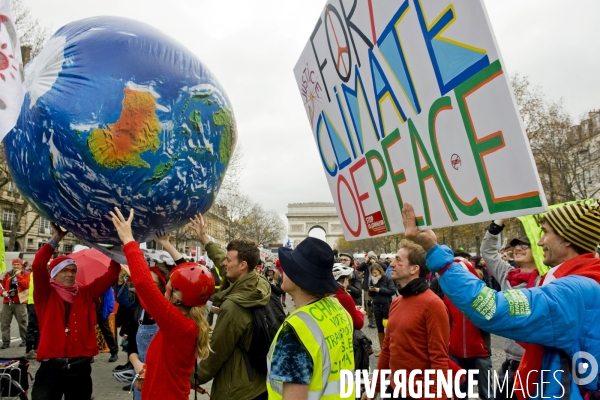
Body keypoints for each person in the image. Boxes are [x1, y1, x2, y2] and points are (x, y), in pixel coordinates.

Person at [402, 200, 600, 399]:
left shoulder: (574, 291)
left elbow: (492, 308)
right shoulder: (582, 282)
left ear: (568, 239)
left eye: (546, 233)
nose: (539, 242)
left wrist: (436, 252)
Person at [110, 208, 214, 400]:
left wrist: (129, 241)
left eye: (167, 287)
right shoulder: (190, 315)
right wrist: (165, 245)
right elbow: (187, 276)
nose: (164, 290)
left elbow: (145, 288)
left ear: (176, 296)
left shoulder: (179, 324)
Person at [31, 223, 120, 400]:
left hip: (80, 367)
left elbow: (111, 275)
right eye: (64, 271)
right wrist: (55, 239)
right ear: (54, 274)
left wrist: (117, 245)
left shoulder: (86, 293)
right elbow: (38, 266)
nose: (70, 274)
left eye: (73, 270)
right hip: (51, 368)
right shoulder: (45, 294)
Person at [189, 213, 271, 400]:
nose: (224, 263)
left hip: (236, 390)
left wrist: (192, 378)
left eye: (229, 260)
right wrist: (204, 238)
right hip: (258, 381)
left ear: (242, 265)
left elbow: (216, 353)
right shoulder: (258, 282)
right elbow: (222, 261)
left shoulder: (233, 307)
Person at [267, 237, 355, 399]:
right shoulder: (339, 309)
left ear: (298, 278)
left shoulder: (295, 332)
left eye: (288, 268)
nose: (282, 271)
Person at [363, 239, 449, 399]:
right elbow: (388, 350)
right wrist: (374, 386)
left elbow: (440, 359)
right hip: (395, 390)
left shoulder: (433, 305)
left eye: (398, 260)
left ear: (414, 269)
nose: (391, 264)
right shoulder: (396, 302)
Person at [481, 221, 542, 399]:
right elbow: (488, 251)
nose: (518, 248)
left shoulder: (547, 279)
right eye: (515, 245)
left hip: (535, 362)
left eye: (525, 245)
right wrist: (497, 225)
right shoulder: (507, 275)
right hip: (510, 361)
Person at [444, 257, 493, 400]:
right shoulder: (448, 296)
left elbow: (491, 319)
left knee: (487, 393)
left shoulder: (483, 295)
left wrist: (485, 346)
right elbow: (446, 323)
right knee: (460, 393)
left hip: (479, 351)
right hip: (455, 351)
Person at [1, 258, 30, 349]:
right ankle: (5, 342)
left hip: (20, 302)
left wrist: (19, 277)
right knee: (4, 323)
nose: (16, 266)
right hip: (8, 301)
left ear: (21, 266)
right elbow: (2, 286)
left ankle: (25, 340)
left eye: (18, 264)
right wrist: (3, 293)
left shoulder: (26, 274)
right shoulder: (7, 275)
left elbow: (26, 285)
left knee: (22, 322)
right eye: (14, 264)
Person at [368, 263, 396, 356]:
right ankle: (383, 349)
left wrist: (379, 290)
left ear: (380, 271)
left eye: (375, 273)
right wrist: (371, 291)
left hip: (386, 306)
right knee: (380, 328)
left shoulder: (387, 279)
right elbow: (372, 295)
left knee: (389, 327)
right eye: (373, 273)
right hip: (376, 306)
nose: (374, 275)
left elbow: (392, 291)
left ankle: (392, 348)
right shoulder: (372, 280)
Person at [332, 263, 366, 329]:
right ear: (342, 281)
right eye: (347, 280)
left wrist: (353, 308)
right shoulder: (344, 297)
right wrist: (360, 313)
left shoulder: (328, 293)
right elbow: (358, 323)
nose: (348, 283)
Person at [356, 251, 385, 328]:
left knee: (376, 304)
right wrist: (365, 262)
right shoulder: (366, 265)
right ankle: (370, 320)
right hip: (367, 287)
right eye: (370, 257)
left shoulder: (378, 264)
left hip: (377, 287)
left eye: (373, 257)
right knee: (368, 304)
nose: (371, 259)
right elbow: (358, 268)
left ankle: (376, 320)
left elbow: (385, 267)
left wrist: (376, 262)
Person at [96, 287, 119, 362]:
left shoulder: (106, 286)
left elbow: (110, 298)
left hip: (102, 312)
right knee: (89, 334)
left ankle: (114, 351)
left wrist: (109, 310)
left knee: (107, 332)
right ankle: (90, 354)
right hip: (91, 312)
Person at [25, 271, 40, 359]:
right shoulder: (37, 273)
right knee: (34, 327)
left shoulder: (33, 273)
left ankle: (35, 349)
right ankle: (31, 350)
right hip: (35, 302)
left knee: (36, 327)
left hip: (34, 302)